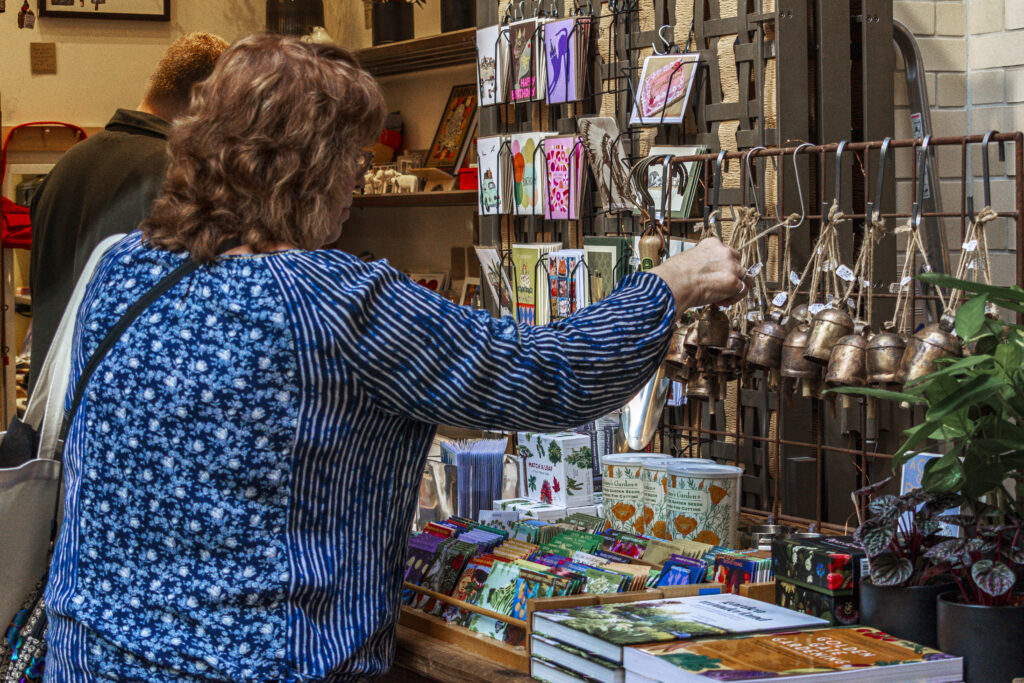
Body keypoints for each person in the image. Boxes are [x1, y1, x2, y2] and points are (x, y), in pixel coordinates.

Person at [44, 35, 750, 682]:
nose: (358, 182)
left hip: (86, 653)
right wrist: (671, 285)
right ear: (308, 168)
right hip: (259, 664)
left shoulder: (122, 268)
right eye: (352, 158)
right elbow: (542, 373)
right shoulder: (334, 301)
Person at [27, 31, 228, 393]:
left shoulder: (66, 166)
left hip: (53, 413)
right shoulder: (180, 178)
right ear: (207, 101)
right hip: (117, 414)